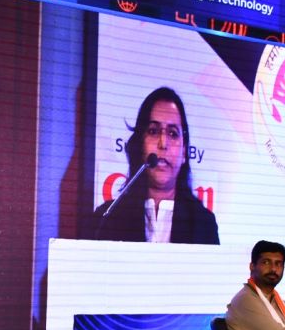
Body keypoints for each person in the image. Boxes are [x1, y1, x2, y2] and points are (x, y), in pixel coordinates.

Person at [92, 87, 218, 244]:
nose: (163, 143)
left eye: (172, 133)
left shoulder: (204, 224)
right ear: (140, 145)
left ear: (184, 152)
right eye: (153, 131)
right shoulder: (107, 218)